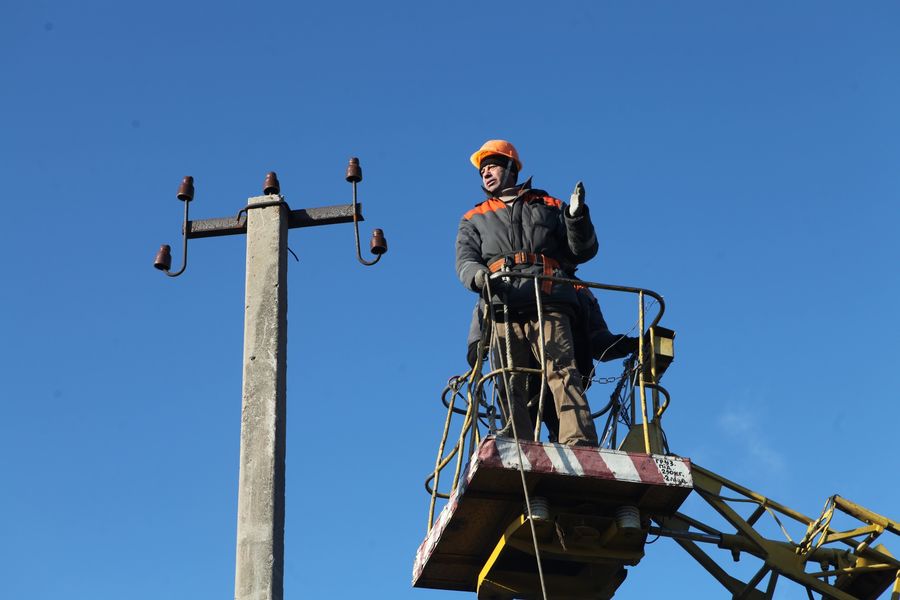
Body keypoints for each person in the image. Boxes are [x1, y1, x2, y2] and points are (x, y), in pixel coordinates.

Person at [455, 139, 602, 446]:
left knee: (561, 370)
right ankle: (517, 442)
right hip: (502, 304)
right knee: (510, 378)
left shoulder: (549, 206)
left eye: (492, 165)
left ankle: (578, 440)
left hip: (547, 299)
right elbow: (465, 261)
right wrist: (478, 276)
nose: (486, 173)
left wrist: (576, 218)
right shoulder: (474, 217)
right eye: (482, 169)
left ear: (511, 168)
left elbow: (582, 252)